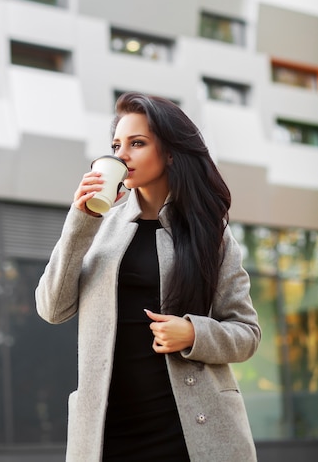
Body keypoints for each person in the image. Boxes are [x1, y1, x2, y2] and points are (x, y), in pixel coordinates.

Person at [35, 91, 261, 462]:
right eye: (116, 145)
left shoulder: (211, 235)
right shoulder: (99, 227)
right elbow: (52, 307)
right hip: (108, 434)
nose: (121, 155)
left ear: (170, 152)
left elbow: (247, 334)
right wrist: (79, 222)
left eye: (137, 143)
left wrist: (194, 333)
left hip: (191, 432)